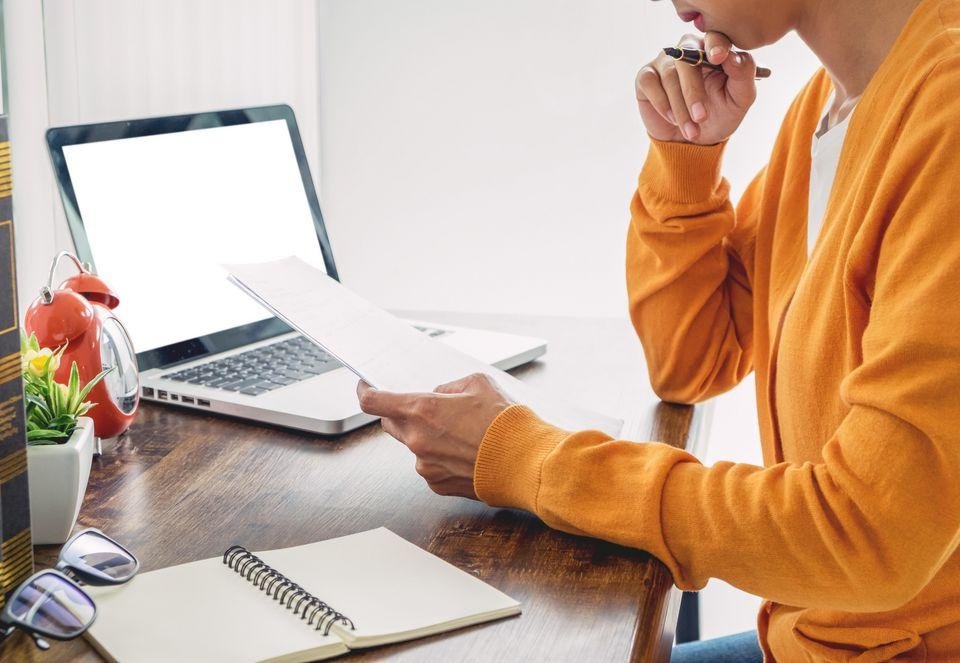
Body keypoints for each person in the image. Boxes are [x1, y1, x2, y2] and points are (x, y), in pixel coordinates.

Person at [357, 0, 960, 659]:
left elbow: (865, 534)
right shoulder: (837, 101)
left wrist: (531, 460)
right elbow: (692, 362)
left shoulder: (947, 121)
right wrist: (685, 156)